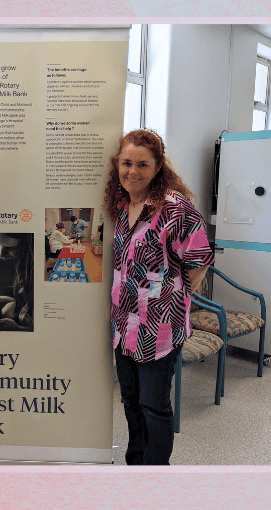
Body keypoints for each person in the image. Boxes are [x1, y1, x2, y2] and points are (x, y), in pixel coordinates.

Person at [103, 129, 213, 465]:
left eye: (142, 164)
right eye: (126, 163)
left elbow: (200, 259)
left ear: (157, 167)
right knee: (131, 401)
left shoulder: (174, 209)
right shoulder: (124, 206)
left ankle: (155, 475)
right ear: (117, 166)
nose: (132, 171)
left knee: (154, 405)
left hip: (159, 329)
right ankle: (135, 464)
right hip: (124, 326)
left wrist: (175, 298)